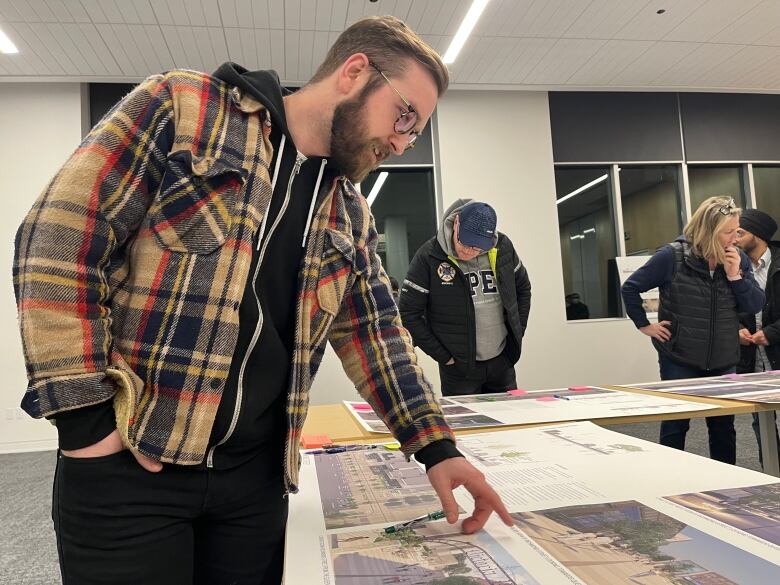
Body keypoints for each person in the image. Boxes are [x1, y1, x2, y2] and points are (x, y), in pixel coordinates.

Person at [12, 16, 511, 585]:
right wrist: (82, 418)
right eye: (404, 116)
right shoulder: (183, 110)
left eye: (415, 133)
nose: (401, 141)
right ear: (354, 73)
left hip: (254, 486)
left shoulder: (348, 214)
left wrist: (436, 446)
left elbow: (377, 336)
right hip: (133, 465)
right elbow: (57, 240)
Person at [621, 196, 764, 464]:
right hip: (680, 356)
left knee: (723, 427)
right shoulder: (671, 256)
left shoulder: (738, 259)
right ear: (708, 230)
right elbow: (630, 287)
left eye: (737, 231)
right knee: (676, 425)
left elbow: (754, 303)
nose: (735, 238)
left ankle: (726, 482)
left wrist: (736, 277)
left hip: (723, 358)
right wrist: (644, 325)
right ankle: (671, 479)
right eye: (728, 232)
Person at [399, 200, 531, 395]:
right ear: (457, 223)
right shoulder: (429, 256)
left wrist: (516, 332)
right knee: (466, 425)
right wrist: (444, 357)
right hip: (459, 369)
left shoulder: (502, 246)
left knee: (508, 422)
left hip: (502, 362)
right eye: (466, 243)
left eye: (478, 248)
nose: (470, 251)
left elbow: (523, 289)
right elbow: (409, 312)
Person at [735, 208, 780, 469]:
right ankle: (772, 474)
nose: (734, 238)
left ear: (759, 236)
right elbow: (726, 308)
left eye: (740, 232)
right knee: (760, 419)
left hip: (777, 349)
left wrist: (772, 333)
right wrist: (736, 329)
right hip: (752, 358)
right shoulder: (732, 266)